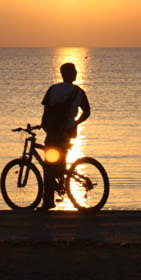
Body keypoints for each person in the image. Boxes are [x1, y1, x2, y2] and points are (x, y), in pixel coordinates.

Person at [39, 62, 91, 210]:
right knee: (60, 161)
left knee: (48, 167)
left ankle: (48, 201)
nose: (76, 73)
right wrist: (76, 122)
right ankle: (61, 184)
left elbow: (46, 113)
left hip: (53, 132)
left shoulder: (52, 89)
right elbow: (87, 111)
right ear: (71, 74)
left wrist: (45, 126)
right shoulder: (78, 92)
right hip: (67, 132)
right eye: (74, 71)